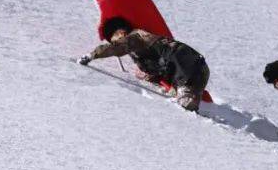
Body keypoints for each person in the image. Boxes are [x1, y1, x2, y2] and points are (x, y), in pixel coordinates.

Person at [78, 16, 209, 111]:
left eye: (115, 39)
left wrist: (92, 55)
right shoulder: (142, 55)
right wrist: (149, 77)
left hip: (184, 62)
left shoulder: (136, 37)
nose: (116, 42)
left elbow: (117, 48)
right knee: (186, 105)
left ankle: (185, 94)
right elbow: (159, 69)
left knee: (184, 96)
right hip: (199, 70)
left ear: (122, 33)